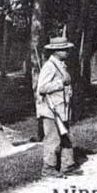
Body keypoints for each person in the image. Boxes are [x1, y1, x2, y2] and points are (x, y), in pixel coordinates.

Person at [36, 33, 76, 177]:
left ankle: (67, 166)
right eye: (64, 49)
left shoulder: (61, 65)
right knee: (52, 139)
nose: (66, 52)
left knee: (65, 137)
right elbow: (41, 88)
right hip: (51, 109)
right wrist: (61, 83)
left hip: (62, 109)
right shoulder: (49, 66)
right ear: (56, 51)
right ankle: (48, 169)